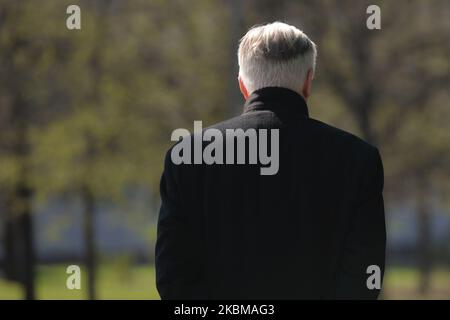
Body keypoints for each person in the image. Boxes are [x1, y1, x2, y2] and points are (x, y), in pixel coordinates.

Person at [155, 22, 386, 299]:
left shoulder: (188, 158)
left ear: (242, 85)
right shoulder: (357, 159)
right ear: (308, 81)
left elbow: (173, 276)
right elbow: (364, 276)